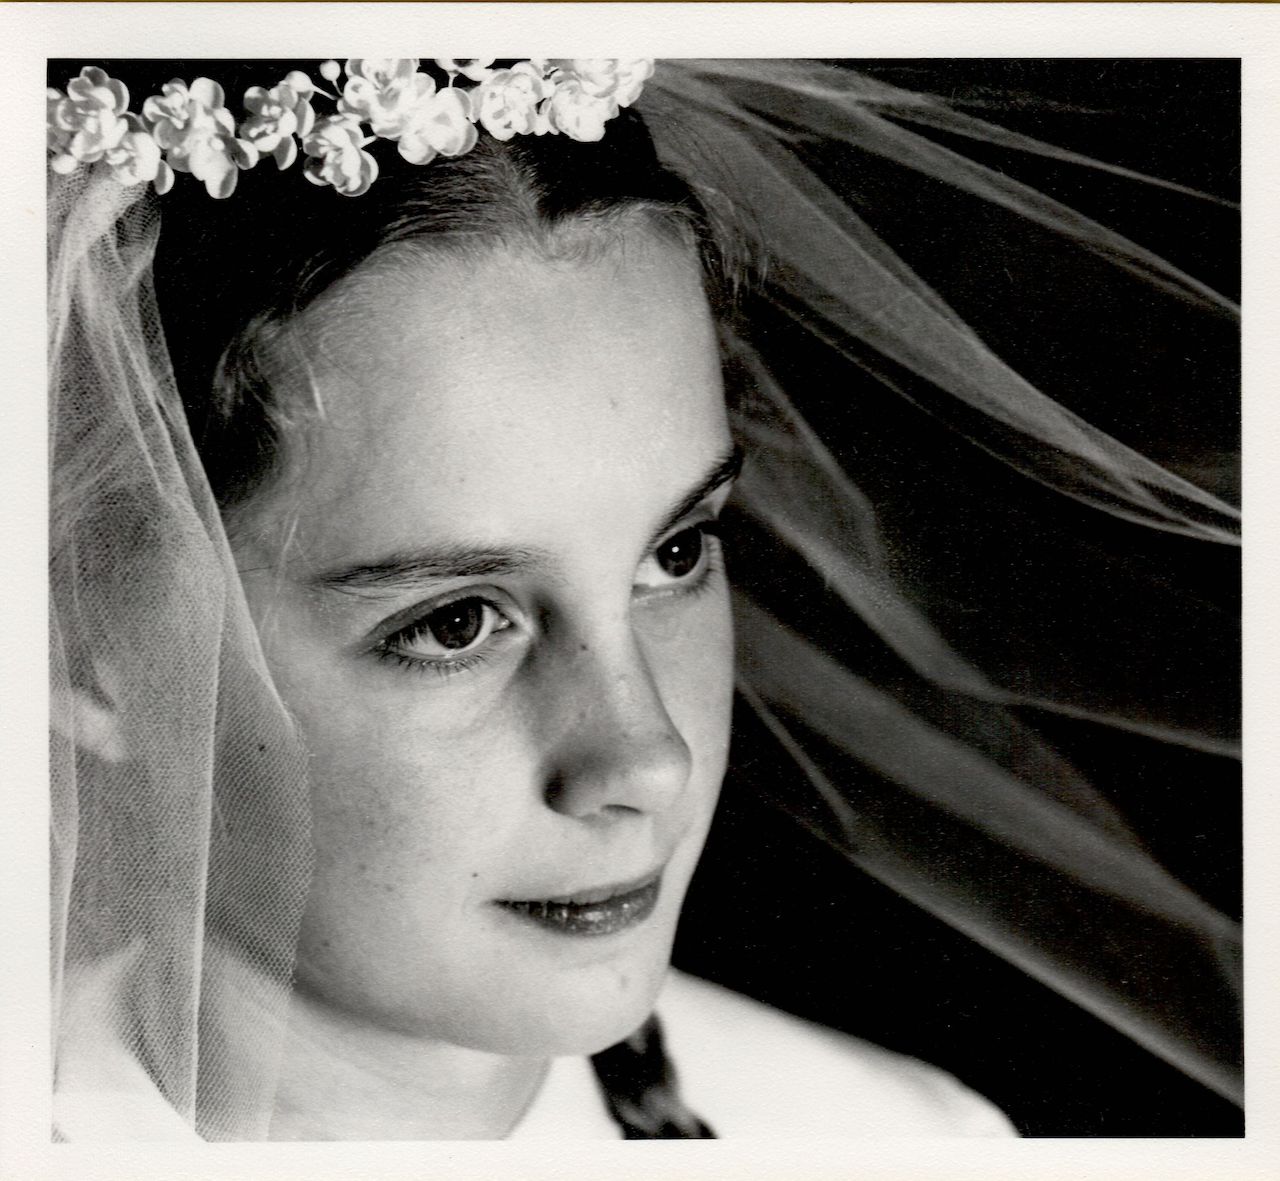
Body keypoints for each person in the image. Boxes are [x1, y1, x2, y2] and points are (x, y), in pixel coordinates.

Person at [48, 58, 1240, 1141]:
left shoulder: (901, 1137)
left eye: (675, 552)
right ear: (82, 642)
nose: (646, 756)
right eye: (454, 622)